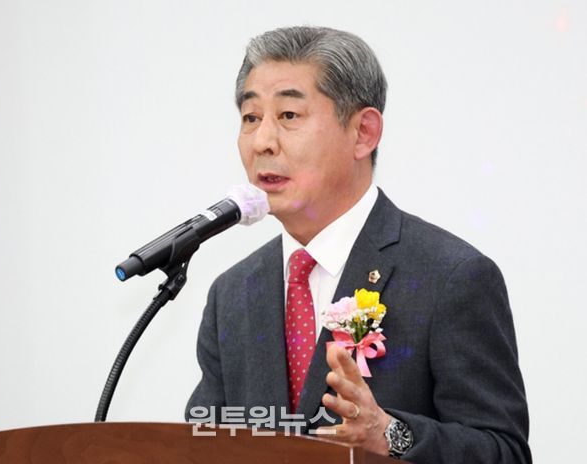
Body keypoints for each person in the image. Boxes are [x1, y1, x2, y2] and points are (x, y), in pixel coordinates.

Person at [185, 26, 531, 463]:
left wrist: (391, 435)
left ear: (363, 132)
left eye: (288, 115)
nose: (262, 142)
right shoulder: (233, 293)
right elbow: (205, 441)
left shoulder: (450, 277)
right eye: (251, 118)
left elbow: (504, 452)